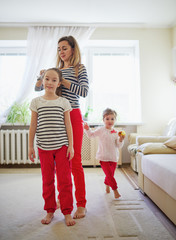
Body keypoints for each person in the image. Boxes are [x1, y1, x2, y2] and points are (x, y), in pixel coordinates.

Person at [35, 36, 88, 219]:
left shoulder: (79, 68)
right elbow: (38, 90)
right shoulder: (55, 71)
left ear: (73, 49)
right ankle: (61, 200)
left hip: (72, 115)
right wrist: (43, 77)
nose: (61, 52)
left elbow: (84, 92)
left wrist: (63, 80)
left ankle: (81, 204)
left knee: (75, 162)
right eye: (58, 49)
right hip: (57, 117)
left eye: (64, 48)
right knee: (59, 164)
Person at [29, 68, 76, 226]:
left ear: (59, 83)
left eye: (54, 80)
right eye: (47, 79)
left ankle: (67, 211)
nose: (49, 82)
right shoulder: (36, 102)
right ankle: (50, 210)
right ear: (42, 80)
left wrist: (71, 146)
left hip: (62, 147)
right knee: (47, 181)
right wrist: (31, 146)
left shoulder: (64, 102)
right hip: (44, 148)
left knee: (65, 180)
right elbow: (33, 125)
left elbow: (68, 125)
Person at [84, 108, 125, 199]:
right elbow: (91, 135)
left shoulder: (117, 133)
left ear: (115, 120)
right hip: (103, 157)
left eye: (112, 119)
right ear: (103, 120)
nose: (110, 121)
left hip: (113, 157)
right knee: (110, 175)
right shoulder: (100, 130)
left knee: (110, 175)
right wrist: (87, 129)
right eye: (107, 119)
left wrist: (121, 139)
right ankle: (116, 191)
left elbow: (118, 145)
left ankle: (107, 185)